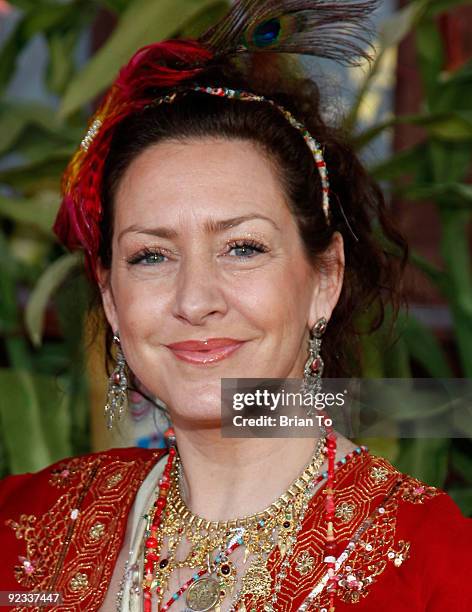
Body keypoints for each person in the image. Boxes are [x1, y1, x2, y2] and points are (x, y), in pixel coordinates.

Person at [1, 1, 471, 611]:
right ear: (111, 298)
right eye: (150, 256)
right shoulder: (28, 528)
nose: (195, 300)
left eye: (242, 248)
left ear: (324, 278)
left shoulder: (438, 566)